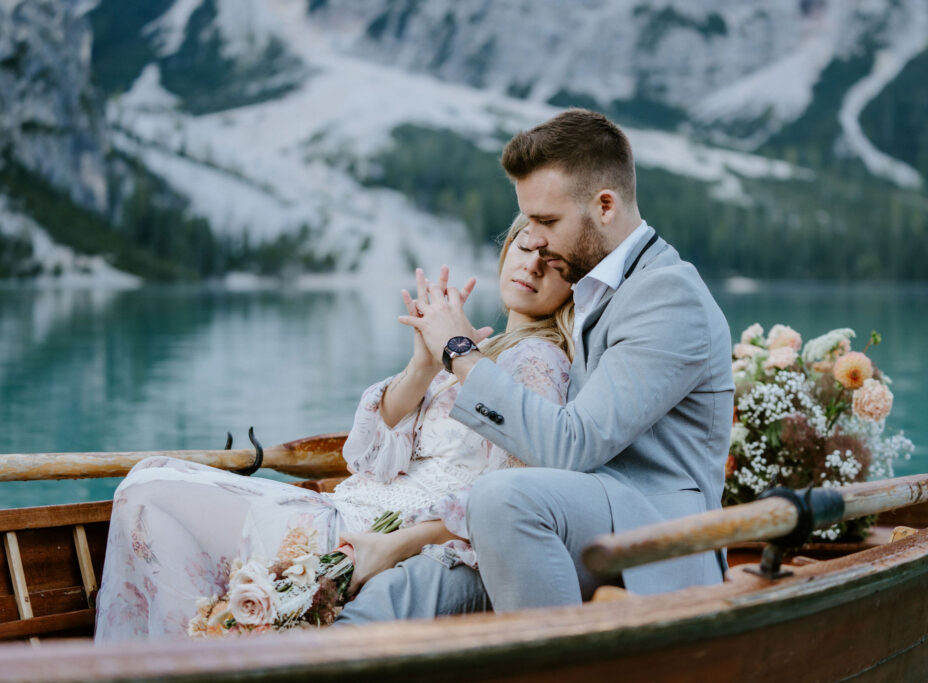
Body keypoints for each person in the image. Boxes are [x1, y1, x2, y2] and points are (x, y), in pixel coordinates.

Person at [93, 214, 574, 640]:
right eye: (526, 246)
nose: (532, 265)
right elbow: (368, 458)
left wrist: (392, 546)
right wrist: (426, 364)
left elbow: (510, 499)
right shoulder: (478, 353)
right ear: (506, 250)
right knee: (149, 485)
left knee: (149, 488)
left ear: (575, 284)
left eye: (553, 262)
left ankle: (192, 659)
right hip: (345, 509)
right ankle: (202, 649)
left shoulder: (538, 360)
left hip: (367, 536)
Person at [401, 108, 734, 611]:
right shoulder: (589, 285)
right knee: (427, 578)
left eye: (546, 221)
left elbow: (572, 444)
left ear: (605, 205)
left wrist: (460, 353)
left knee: (500, 499)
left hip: (657, 533)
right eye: (528, 220)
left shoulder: (668, 295)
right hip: (584, 515)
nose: (531, 239)